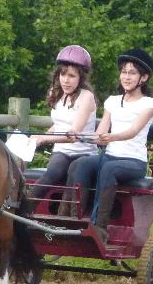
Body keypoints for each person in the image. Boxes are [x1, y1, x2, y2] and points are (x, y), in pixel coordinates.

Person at [65, 47, 153, 244]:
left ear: (144, 77)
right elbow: (100, 133)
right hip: (110, 156)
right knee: (79, 164)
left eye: (132, 73)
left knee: (108, 169)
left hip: (133, 162)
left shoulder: (148, 104)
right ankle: (76, 220)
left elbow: (133, 131)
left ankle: (99, 227)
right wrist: (78, 135)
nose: (126, 77)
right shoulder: (112, 101)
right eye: (124, 72)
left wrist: (111, 137)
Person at [25, 44, 98, 214]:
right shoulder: (55, 93)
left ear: (81, 78)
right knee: (53, 172)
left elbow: (73, 134)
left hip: (83, 151)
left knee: (74, 171)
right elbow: (58, 124)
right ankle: (23, 213)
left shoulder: (86, 97)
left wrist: (43, 139)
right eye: (62, 74)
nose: (66, 80)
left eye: (72, 76)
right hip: (62, 150)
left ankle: (68, 218)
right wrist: (37, 137)